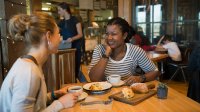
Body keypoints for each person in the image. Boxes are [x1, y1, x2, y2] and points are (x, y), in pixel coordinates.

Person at [0, 12, 80, 112]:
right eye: (58, 33)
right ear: (48, 36)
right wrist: (60, 104)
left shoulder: (30, 64)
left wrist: (53, 95)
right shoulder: (28, 73)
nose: (60, 38)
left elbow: (33, 103)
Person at [88, 17, 160, 85]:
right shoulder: (99, 49)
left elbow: (155, 72)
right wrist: (106, 53)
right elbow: (94, 79)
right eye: (107, 34)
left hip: (126, 94)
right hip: (103, 94)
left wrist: (140, 78)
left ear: (124, 35)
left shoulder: (135, 51)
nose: (109, 38)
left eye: (114, 34)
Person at [57, 2, 86, 82]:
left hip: (76, 48)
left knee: (75, 70)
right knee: (70, 70)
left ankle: (83, 84)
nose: (58, 12)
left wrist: (72, 39)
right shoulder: (61, 22)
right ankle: (76, 84)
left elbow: (80, 34)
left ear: (65, 10)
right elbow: (56, 31)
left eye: (59, 10)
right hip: (66, 49)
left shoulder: (75, 20)